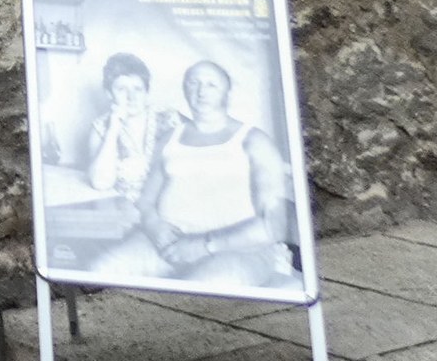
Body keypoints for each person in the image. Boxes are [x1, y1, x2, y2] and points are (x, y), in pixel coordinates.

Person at [132, 60, 295, 287]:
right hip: (167, 243)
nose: (201, 92)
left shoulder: (254, 141)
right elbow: (146, 201)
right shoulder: (169, 138)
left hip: (236, 250)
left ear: (227, 92)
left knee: (202, 287)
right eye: (193, 83)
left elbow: (273, 224)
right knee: (105, 269)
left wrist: (204, 246)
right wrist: (154, 226)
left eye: (211, 85)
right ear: (184, 89)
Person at [82, 53, 160, 198]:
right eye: (122, 89)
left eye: (138, 89)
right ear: (109, 94)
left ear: (146, 92)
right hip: (122, 211)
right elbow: (101, 183)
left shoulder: (169, 120)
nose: (132, 97)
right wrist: (113, 128)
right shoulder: (100, 127)